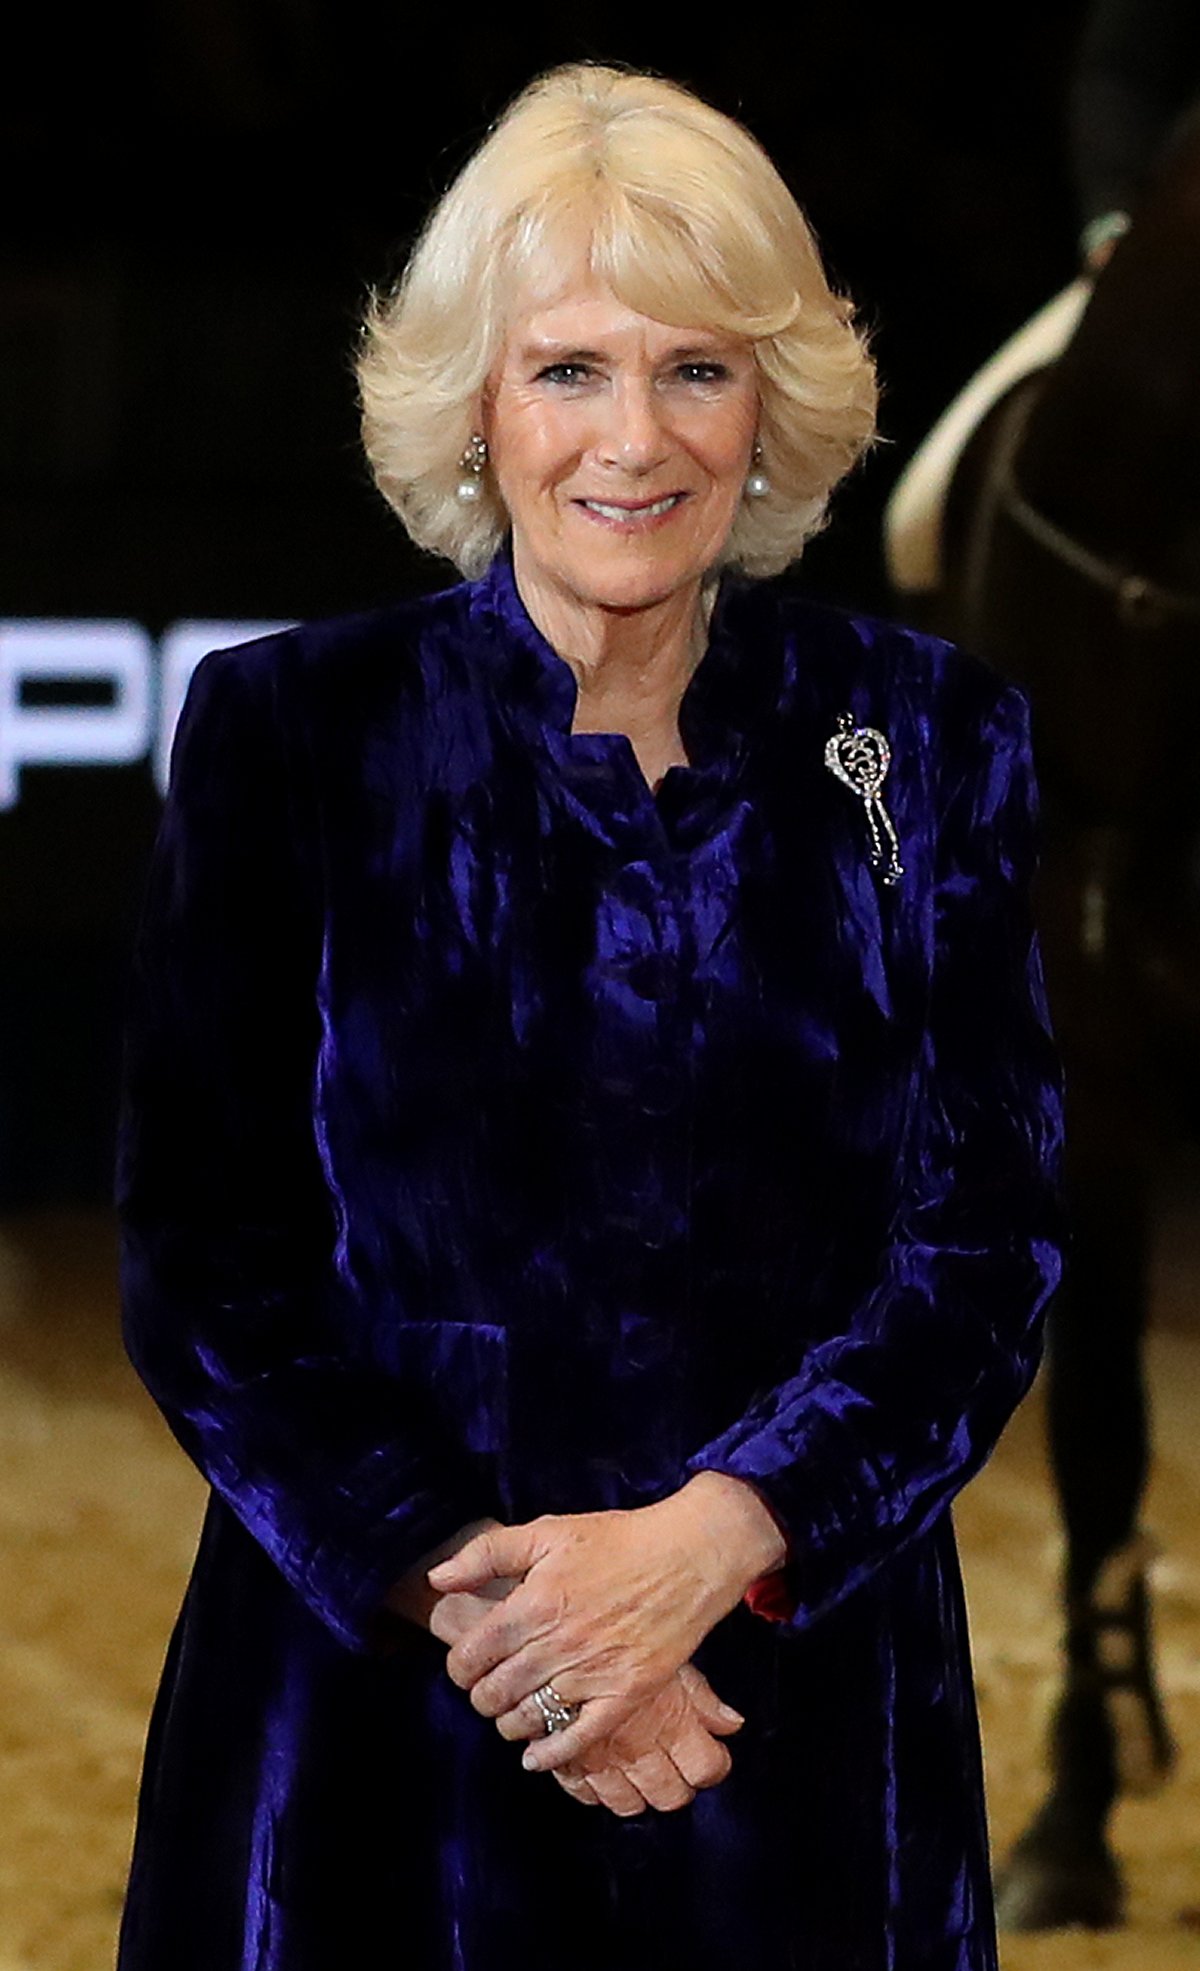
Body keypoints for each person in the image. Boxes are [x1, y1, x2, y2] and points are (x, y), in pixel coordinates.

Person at [114, 61, 1066, 1971]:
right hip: (377, 1724)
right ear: (477, 401)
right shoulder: (292, 735)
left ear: (772, 403)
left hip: (802, 1716)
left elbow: (988, 1239)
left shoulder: (934, 739)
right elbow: (206, 1258)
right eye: (569, 369)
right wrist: (511, 1619)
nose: (635, 438)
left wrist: (719, 1542)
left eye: (697, 369)